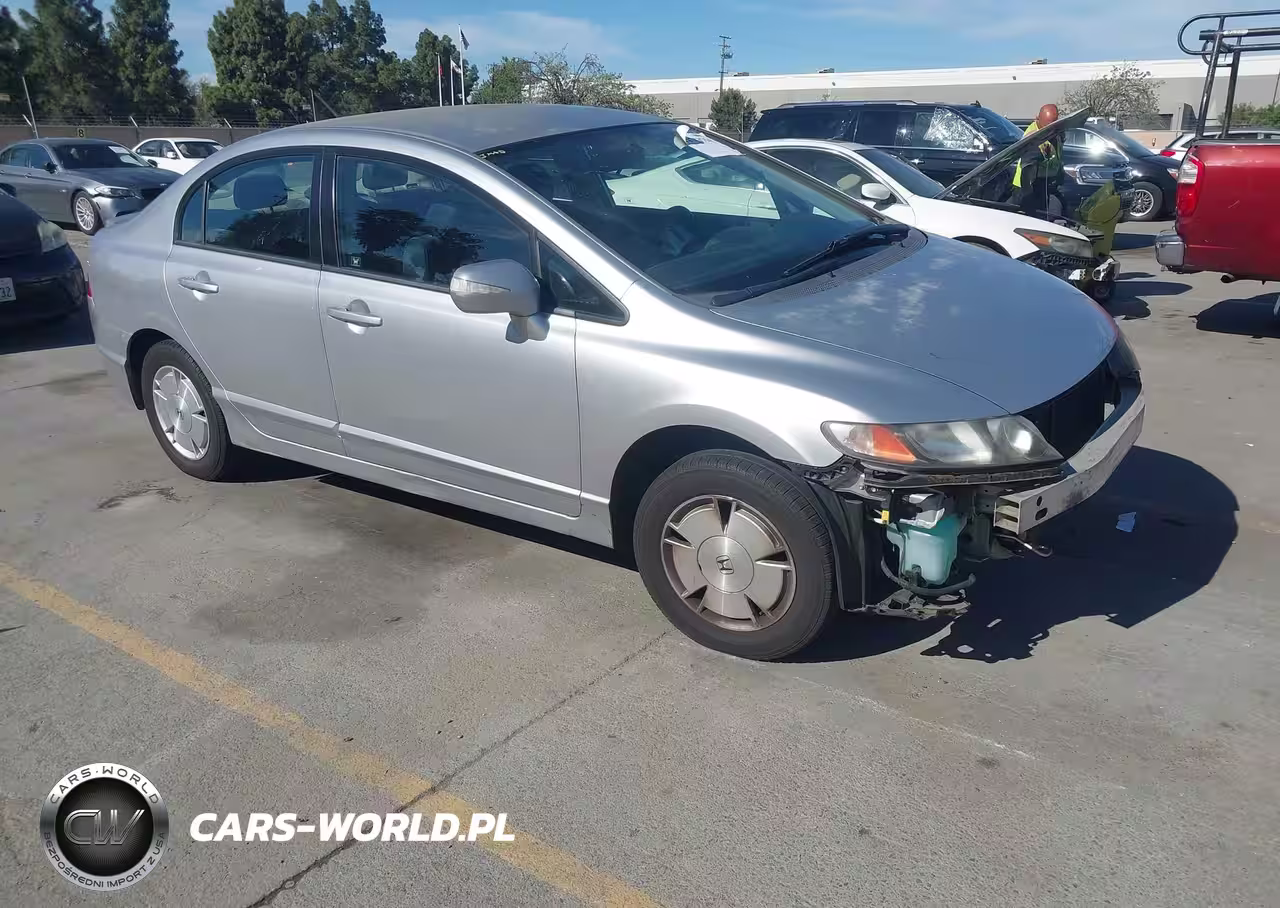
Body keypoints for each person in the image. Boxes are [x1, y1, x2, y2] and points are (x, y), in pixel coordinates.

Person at [1013, 103, 1064, 218]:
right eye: (1047, 125)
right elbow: (1027, 169)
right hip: (1029, 188)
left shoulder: (1053, 131)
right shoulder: (1033, 138)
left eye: (1054, 123)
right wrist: (1028, 197)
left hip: (1045, 183)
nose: (1051, 128)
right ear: (1037, 118)